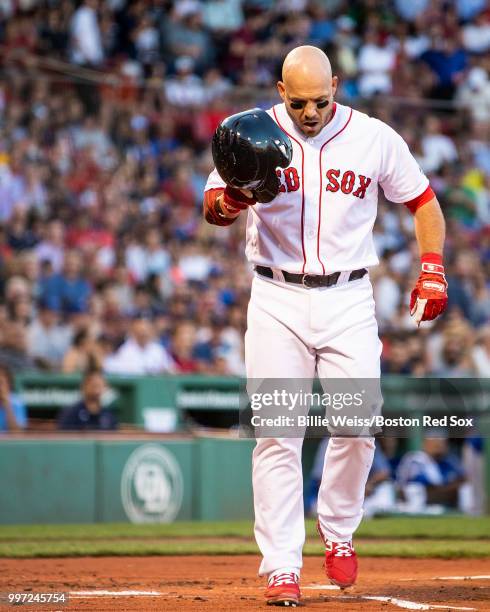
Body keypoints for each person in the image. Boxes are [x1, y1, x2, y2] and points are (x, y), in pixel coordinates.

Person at [203, 45, 448, 606]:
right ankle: (281, 566)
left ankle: (337, 531)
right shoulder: (250, 133)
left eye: (322, 99)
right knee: (277, 436)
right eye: (301, 101)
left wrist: (431, 269)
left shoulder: (374, 137)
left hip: (347, 296)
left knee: (359, 425)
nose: (311, 111)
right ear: (280, 89)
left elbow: (424, 202)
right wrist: (234, 200)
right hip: (275, 296)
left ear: (336, 84)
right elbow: (212, 206)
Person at [0, 365, 27, 432]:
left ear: (8, 384)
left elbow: (17, 433)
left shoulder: (16, 402)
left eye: (1, 382)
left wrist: (7, 405)